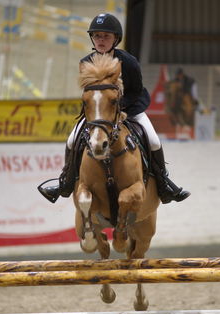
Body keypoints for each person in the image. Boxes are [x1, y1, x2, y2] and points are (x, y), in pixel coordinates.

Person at [38, 13, 190, 204]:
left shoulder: (129, 61)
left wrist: (120, 108)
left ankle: (164, 183)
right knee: (71, 140)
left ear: (115, 39)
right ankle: (65, 182)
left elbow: (136, 90)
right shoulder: (86, 62)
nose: (101, 40)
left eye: (106, 36)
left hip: (130, 109)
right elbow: (89, 93)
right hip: (100, 114)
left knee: (153, 140)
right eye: (97, 36)